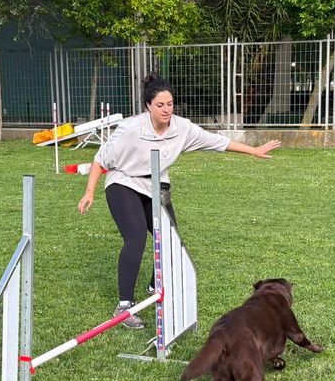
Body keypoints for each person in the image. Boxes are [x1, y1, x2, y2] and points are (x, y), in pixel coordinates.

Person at [77, 73, 281, 329]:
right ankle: (125, 307)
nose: (166, 110)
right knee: (137, 236)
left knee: (170, 238)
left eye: (170, 104)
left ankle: (155, 286)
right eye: (160, 105)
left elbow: (216, 141)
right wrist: (89, 192)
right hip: (124, 181)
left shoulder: (182, 128)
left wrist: (254, 150)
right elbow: (100, 159)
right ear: (148, 106)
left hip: (156, 183)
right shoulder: (131, 129)